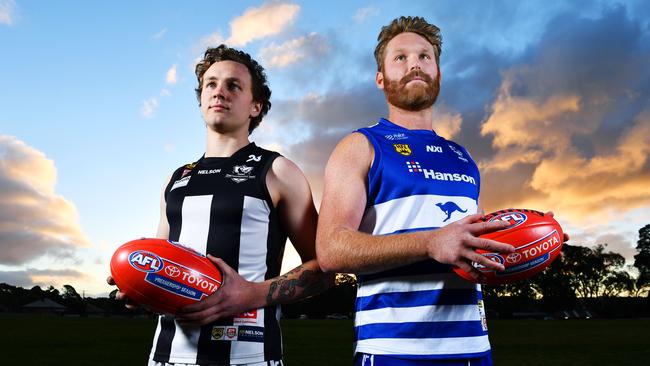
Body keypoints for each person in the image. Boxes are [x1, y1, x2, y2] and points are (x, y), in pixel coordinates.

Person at [108, 44, 332, 366]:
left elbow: (324, 268)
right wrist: (138, 287)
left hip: (248, 356)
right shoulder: (176, 180)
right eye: (211, 84)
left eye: (233, 85)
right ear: (200, 99)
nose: (219, 92)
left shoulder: (277, 171)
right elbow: (161, 265)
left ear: (256, 106)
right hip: (168, 356)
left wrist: (250, 294)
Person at [316, 16, 517, 366]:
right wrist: (429, 243)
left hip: (474, 350)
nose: (414, 65)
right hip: (394, 351)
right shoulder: (361, 146)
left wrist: (522, 249)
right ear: (381, 79)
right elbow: (331, 249)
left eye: (425, 57)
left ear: (438, 73)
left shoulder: (462, 157)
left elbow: (470, 251)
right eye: (400, 58)